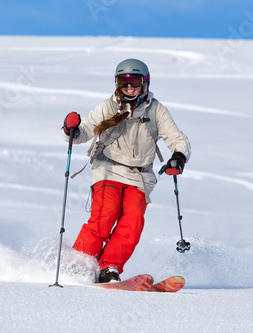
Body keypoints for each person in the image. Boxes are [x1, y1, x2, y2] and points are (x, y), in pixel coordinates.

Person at [62, 58, 191, 283]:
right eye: (124, 82)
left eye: (135, 82)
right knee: (105, 214)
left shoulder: (156, 110)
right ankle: (79, 263)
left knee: (133, 221)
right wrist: (70, 129)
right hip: (107, 170)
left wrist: (178, 157)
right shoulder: (108, 107)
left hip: (140, 176)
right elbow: (83, 132)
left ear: (146, 83)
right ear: (117, 84)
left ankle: (109, 267)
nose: (129, 87)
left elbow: (177, 138)